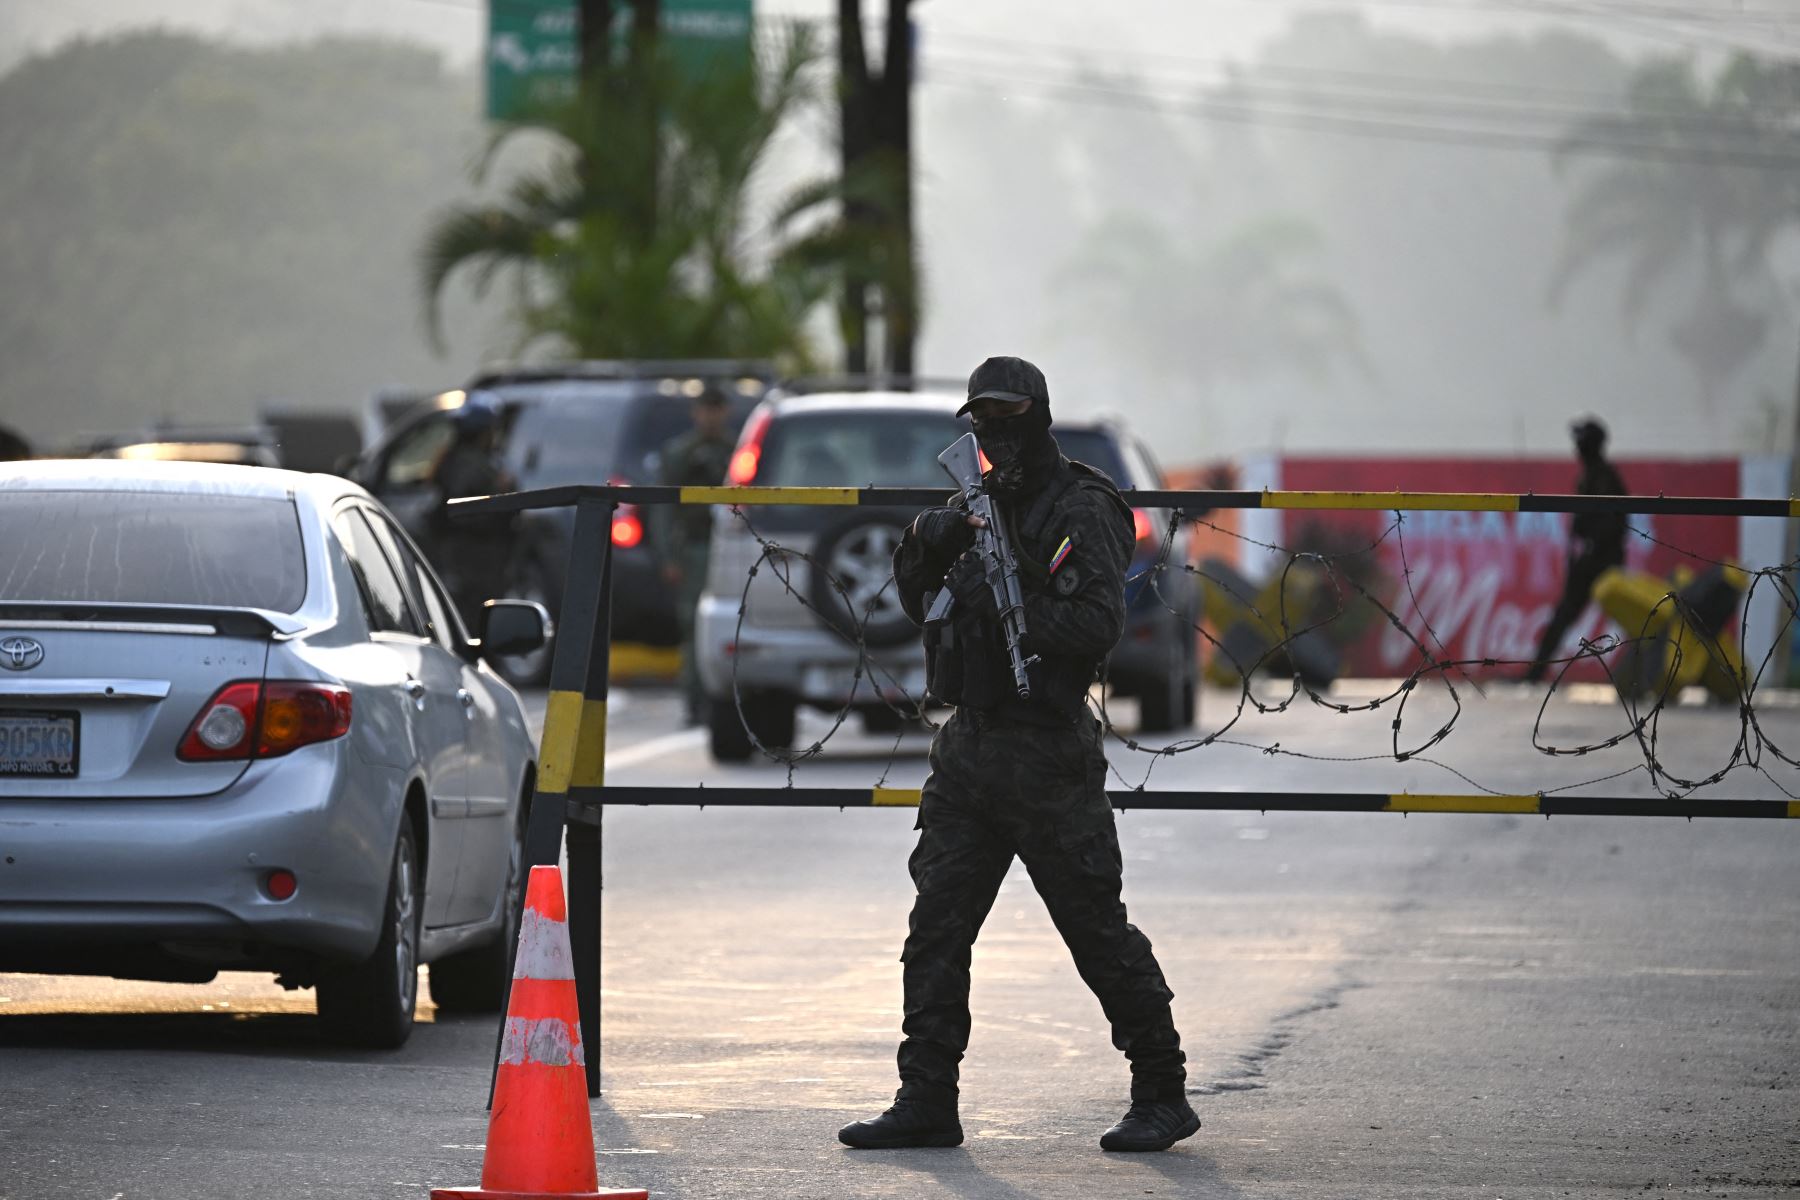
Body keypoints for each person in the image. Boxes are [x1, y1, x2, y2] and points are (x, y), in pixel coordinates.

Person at [837, 356, 1198, 1154]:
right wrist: (927, 544)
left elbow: (1097, 624)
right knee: (936, 928)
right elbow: (912, 601)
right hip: (971, 747)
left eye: (1006, 416)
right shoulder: (975, 501)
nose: (993, 434)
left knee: (1095, 930)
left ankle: (1162, 1090)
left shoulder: (1083, 506)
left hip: (1047, 749)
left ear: (1036, 414)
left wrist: (1012, 606)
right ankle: (926, 1096)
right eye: (981, 419)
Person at [1524, 416, 1628, 683]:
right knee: (1564, 615)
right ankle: (1535, 672)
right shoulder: (1594, 474)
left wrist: (1590, 547)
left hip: (1601, 562)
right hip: (1593, 559)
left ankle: (1535, 673)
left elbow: (1612, 524)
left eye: (1580, 441)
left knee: (1627, 618)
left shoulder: (1603, 476)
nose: (1576, 447)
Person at [657, 386, 736, 725]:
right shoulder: (680, 453)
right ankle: (695, 700)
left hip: (728, 548)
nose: (712, 416)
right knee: (693, 625)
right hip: (694, 546)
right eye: (706, 409)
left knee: (731, 625)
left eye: (717, 409)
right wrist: (668, 556)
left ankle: (727, 703)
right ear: (696, 412)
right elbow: (662, 508)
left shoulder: (735, 451)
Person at [432, 391, 516, 623]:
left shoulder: (469, 461)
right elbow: (465, 513)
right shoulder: (469, 465)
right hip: (473, 557)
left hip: (479, 557)